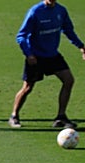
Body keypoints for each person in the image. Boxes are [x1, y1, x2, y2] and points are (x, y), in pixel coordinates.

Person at [9, 0, 85, 128]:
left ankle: (61, 117)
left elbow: (68, 30)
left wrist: (81, 46)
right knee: (28, 87)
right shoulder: (35, 12)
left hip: (53, 55)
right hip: (36, 57)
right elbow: (21, 36)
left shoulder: (61, 11)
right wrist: (28, 54)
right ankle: (14, 115)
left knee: (68, 80)